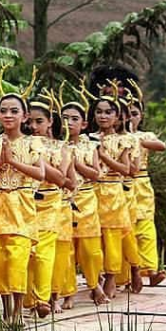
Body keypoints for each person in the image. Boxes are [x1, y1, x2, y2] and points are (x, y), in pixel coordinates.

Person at [0, 92, 46, 324]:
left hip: (22, 204)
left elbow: (40, 173)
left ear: (25, 116)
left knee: (17, 257)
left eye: (14, 111)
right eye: (3, 111)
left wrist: (13, 161)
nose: (8, 115)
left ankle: (18, 312)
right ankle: (6, 311)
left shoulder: (33, 143)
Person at [25, 92, 71, 318]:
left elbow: (61, 178)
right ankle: (29, 299)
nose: (33, 126)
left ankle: (44, 298)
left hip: (51, 202)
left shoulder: (60, 147)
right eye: (30, 121)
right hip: (24, 202)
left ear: (51, 122)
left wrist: (38, 160)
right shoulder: (20, 143)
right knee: (27, 252)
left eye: (39, 121)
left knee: (44, 252)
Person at [91, 95, 136, 300]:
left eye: (108, 112)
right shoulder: (88, 138)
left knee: (112, 238)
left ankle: (111, 276)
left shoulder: (122, 140)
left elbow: (126, 169)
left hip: (114, 193)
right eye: (99, 111)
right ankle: (95, 277)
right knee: (93, 238)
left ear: (117, 117)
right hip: (92, 193)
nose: (103, 116)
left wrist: (103, 156)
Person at [62, 95, 105, 307]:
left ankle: (94, 284)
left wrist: (76, 163)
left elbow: (96, 174)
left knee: (90, 248)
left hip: (86, 199)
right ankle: (68, 292)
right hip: (62, 201)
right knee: (67, 248)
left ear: (84, 123)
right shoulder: (55, 145)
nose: (69, 123)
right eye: (65, 118)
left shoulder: (90, 146)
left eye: (74, 118)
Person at [126, 94, 166, 287]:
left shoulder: (144, 136)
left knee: (146, 228)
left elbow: (161, 146)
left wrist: (138, 141)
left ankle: (151, 270)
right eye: (126, 113)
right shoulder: (116, 138)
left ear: (141, 115)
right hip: (121, 185)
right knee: (127, 230)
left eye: (134, 113)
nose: (130, 117)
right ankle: (129, 272)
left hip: (141, 184)